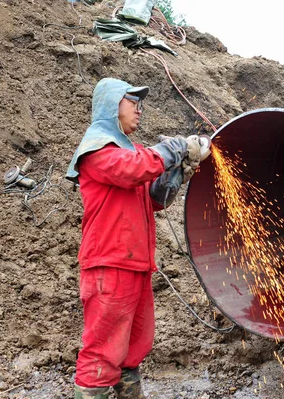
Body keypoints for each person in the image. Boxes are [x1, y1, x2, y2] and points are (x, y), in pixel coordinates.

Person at [65, 77, 201, 399]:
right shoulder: (97, 149)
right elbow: (133, 170)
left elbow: (152, 199)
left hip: (135, 265)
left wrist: (175, 174)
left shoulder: (131, 150)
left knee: (133, 346)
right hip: (109, 265)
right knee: (102, 352)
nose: (139, 110)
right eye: (133, 102)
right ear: (112, 105)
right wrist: (176, 147)